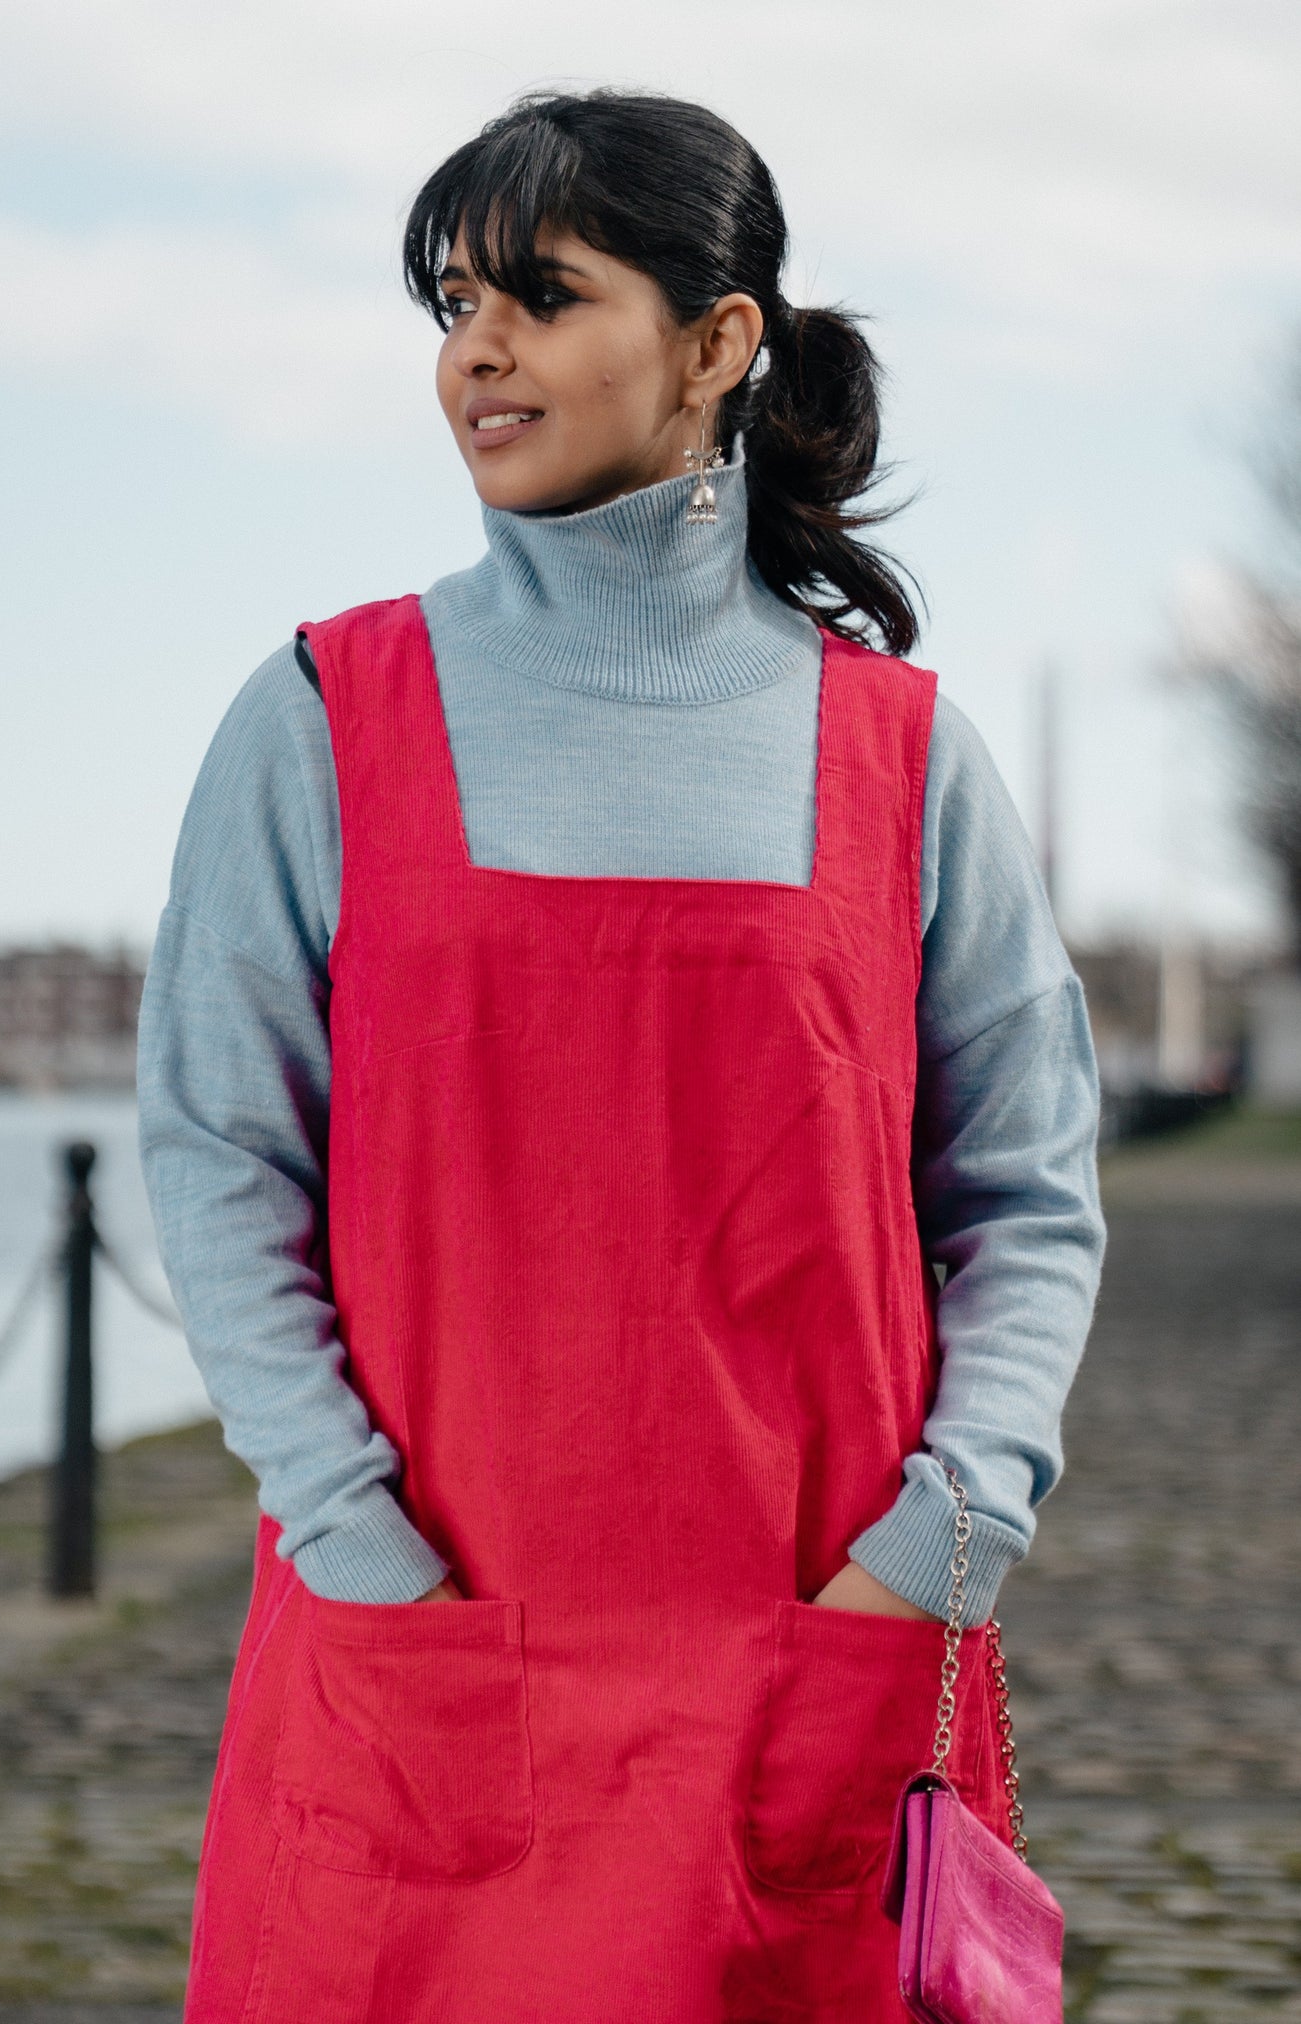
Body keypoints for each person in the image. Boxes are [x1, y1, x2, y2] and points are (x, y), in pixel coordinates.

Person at [137, 87, 1104, 2024]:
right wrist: (350, 1530)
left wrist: (949, 1532)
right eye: (449, 304)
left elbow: (1027, 1189)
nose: (474, 353)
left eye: (541, 296)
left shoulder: (903, 757)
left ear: (718, 339)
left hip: (810, 1646)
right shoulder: (328, 710)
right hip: (426, 1652)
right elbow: (219, 1153)